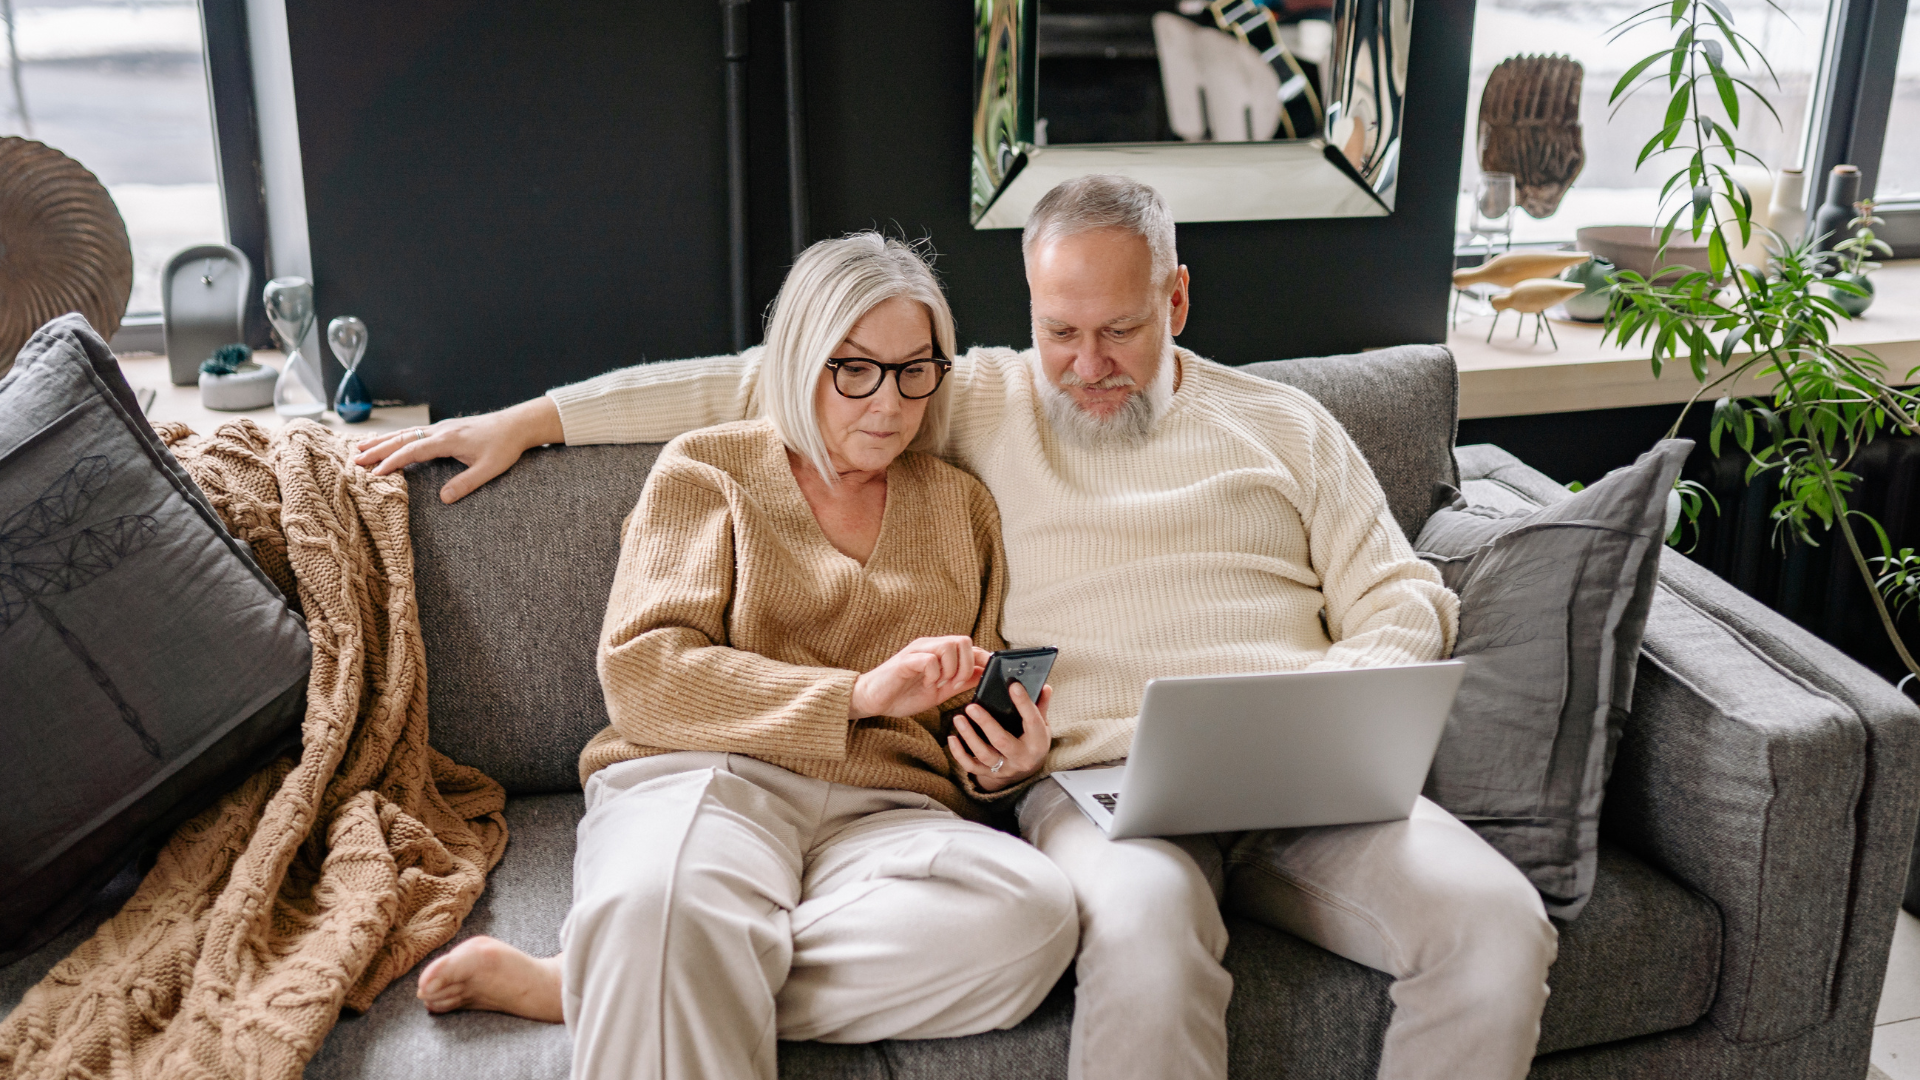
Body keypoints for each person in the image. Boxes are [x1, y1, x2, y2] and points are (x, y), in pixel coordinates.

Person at [366, 177, 1559, 1080]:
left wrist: (1331, 701)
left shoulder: (1286, 427)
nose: (1086, 366)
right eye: (1059, 331)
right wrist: (535, 418)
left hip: (1305, 768)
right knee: (1141, 934)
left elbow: (1404, 593)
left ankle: (633, 976)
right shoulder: (970, 397)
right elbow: (764, 380)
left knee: (1499, 927)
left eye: (1120, 330)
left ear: (1178, 299)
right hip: (1102, 783)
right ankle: (647, 964)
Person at [408, 233, 1079, 1080]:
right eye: (856, 369)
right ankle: (644, 959)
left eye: (915, 370)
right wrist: (855, 695)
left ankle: (604, 979)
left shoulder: (962, 508)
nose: (890, 401)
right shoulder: (707, 470)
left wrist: (1002, 767)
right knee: (658, 905)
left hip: (890, 813)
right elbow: (643, 676)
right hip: (710, 778)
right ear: (799, 359)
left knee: (1033, 917)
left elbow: (960, 717)